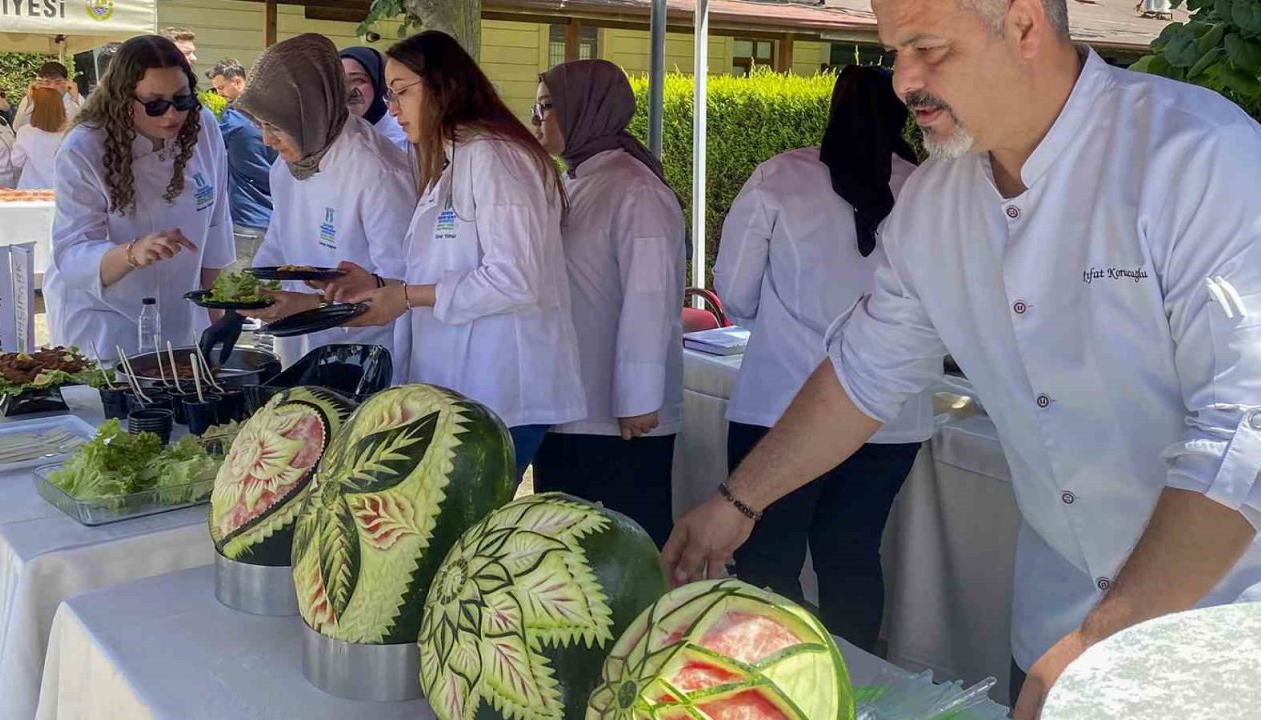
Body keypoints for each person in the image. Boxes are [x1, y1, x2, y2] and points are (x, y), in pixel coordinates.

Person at [665, 0, 1261, 717]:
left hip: (1222, 634)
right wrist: (739, 501)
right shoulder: (934, 205)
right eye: (895, 52)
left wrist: (1100, 641)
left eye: (928, 49)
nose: (902, 80)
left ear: (1024, 25)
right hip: (1054, 621)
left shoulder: (1198, 154)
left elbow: (1244, 433)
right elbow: (863, 375)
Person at [712, 66, 931, 652]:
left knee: (766, 558)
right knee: (853, 554)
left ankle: (779, 684)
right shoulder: (927, 187)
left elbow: (734, 294)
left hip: (779, 402)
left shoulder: (780, 178)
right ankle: (857, 687)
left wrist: (783, 320)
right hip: (890, 414)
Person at [321, 30, 586, 478]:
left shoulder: (496, 157)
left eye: (402, 91)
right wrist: (381, 287)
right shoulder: (453, 156)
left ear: (444, 87)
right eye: (389, 94)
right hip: (464, 390)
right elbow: (449, 269)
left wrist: (404, 297)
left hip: (504, 391)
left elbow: (515, 278)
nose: (394, 107)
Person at [528, 59, 685, 547]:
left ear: (585, 109)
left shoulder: (634, 188)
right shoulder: (575, 180)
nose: (537, 119)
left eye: (547, 107)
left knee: (626, 552)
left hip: (621, 420)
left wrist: (637, 399)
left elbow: (651, 297)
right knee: (565, 553)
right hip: (568, 401)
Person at [43, 35, 236, 360]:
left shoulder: (203, 127)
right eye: (155, 103)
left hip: (182, 312)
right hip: (107, 320)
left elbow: (216, 224)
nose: (171, 115)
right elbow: (72, 255)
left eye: (182, 100)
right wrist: (133, 252)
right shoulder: (85, 148)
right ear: (123, 98)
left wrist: (220, 315)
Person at [232, 34, 418, 369]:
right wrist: (241, 298)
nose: (266, 140)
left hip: (368, 356)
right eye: (260, 125)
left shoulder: (377, 171)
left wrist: (308, 304)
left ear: (311, 112)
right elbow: (277, 243)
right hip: (301, 346)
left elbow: (402, 287)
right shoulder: (287, 166)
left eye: (275, 126)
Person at [208, 58, 276, 267]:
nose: (219, 94)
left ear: (237, 82)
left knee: (241, 289)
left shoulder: (232, 120)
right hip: (274, 215)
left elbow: (203, 146)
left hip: (247, 217)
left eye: (221, 87)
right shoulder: (272, 115)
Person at [339, 47, 412, 152]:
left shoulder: (405, 139)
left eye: (358, 80)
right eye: (337, 81)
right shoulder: (323, 137)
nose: (346, 91)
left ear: (380, 84)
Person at [11, 87, 66, 189]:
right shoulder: (69, 133)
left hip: (30, 187)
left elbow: (16, 161)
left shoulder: (25, 131)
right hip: (59, 188)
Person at [14, 62, 82, 130]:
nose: (52, 87)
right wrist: (29, 100)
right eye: (47, 82)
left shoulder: (74, 98)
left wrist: (76, 98)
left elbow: (86, 126)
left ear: (66, 82)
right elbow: (17, 127)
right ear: (40, 83)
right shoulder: (32, 99)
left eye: (57, 83)